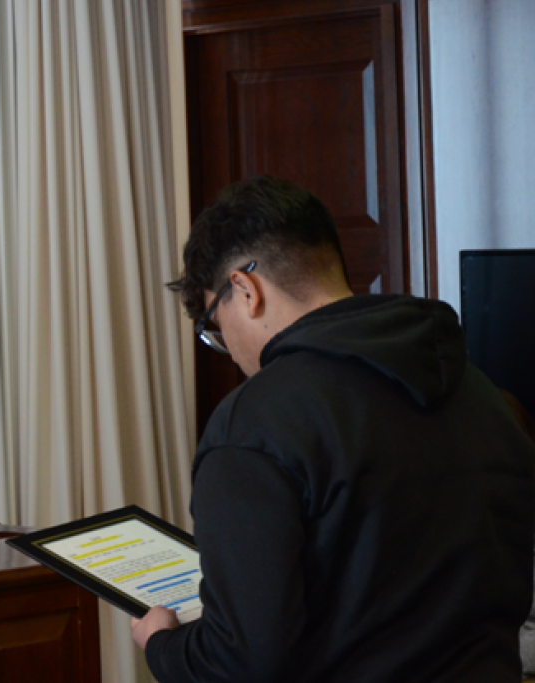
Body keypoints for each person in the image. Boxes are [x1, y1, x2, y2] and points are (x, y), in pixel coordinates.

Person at [131, 175, 535, 682]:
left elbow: (242, 664)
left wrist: (163, 645)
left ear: (245, 289)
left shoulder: (253, 425)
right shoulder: (481, 395)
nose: (229, 350)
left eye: (215, 324)